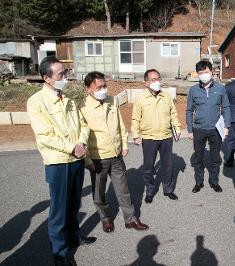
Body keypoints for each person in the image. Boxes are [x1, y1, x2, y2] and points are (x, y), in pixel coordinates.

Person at [27, 56, 96, 266]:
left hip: (75, 159)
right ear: (47, 78)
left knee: (74, 202)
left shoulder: (68, 99)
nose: (65, 77)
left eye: (65, 73)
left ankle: (74, 236)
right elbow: (45, 135)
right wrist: (71, 147)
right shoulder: (36, 102)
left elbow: (83, 125)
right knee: (59, 210)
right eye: (61, 74)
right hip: (58, 162)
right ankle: (60, 252)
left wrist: (81, 144)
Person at [79, 71, 149, 233]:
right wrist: (87, 160)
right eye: (99, 87)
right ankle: (106, 219)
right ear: (88, 89)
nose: (103, 89)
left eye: (105, 86)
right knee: (99, 193)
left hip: (116, 155)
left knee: (123, 190)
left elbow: (120, 126)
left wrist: (124, 145)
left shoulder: (112, 101)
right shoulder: (82, 107)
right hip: (97, 158)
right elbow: (81, 135)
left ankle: (131, 219)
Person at [132, 69, 181, 204]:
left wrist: (177, 128)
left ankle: (168, 189)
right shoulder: (140, 98)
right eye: (153, 80)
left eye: (158, 78)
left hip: (166, 137)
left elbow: (173, 114)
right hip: (149, 138)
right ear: (146, 83)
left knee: (167, 165)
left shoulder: (166, 97)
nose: (156, 82)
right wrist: (136, 135)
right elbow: (135, 118)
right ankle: (150, 190)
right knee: (148, 167)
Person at [186, 60, 231, 193]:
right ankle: (199, 182)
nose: (204, 75)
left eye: (206, 72)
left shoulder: (220, 88)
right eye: (201, 73)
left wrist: (226, 126)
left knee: (215, 158)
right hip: (198, 129)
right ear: (197, 74)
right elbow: (189, 111)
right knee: (198, 158)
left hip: (216, 129)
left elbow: (226, 108)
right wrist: (189, 129)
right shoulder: (193, 90)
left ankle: (214, 182)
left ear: (212, 72)